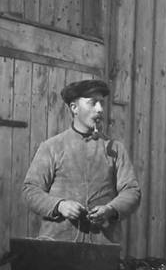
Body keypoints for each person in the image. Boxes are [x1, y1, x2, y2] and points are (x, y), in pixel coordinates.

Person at [22, 79, 141, 243]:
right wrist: (60, 205)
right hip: (58, 244)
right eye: (93, 103)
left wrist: (110, 209)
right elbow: (30, 190)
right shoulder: (52, 147)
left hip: (102, 246)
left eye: (101, 103)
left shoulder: (115, 149)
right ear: (74, 108)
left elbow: (132, 191)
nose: (99, 109)